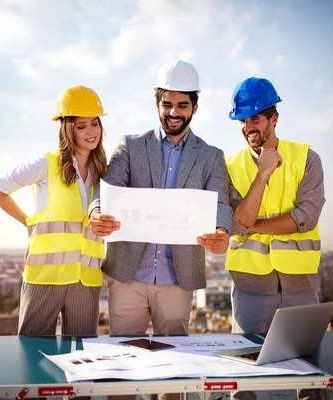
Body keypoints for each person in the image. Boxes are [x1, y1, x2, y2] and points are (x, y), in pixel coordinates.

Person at [89, 60, 233, 335]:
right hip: (128, 275)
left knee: (174, 361)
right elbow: (108, 186)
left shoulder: (211, 156)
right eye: (167, 104)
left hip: (178, 279)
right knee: (125, 358)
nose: (173, 112)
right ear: (157, 105)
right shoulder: (131, 146)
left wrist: (222, 230)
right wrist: (96, 211)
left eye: (182, 105)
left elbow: (220, 203)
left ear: (195, 108)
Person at [0, 85, 107, 336]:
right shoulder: (46, 164)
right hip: (46, 276)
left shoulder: (104, 173)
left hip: (86, 279)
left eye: (94, 123)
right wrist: (29, 225)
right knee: (34, 351)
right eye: (81, 125)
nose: (91, 132)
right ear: (66, 128)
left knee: (84, 356)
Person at [226, 77, 326, 335]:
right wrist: (262, 175)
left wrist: (251, 226)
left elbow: (306, 218)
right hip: (251, 288)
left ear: (274, 118)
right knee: (248, 364)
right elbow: (237, 224)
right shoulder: (229, 167)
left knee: (305, 366)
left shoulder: (307, 159)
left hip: (300, 285)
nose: (248, 127)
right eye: (243, 120)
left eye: (255, 119)